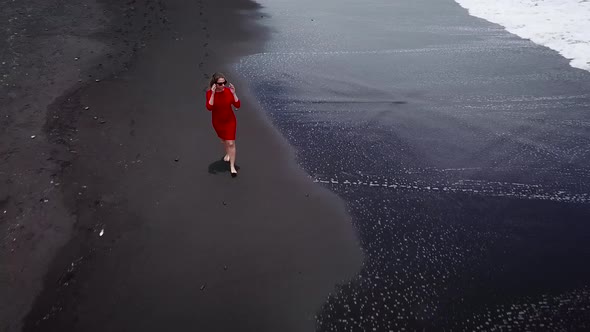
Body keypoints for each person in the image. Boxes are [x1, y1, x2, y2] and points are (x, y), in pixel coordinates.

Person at [206, 72, 241, 177]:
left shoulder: (228, 91)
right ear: (214, 84)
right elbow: (209, 107)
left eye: (224, 83)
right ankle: (228, 153)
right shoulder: (209, 93)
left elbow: (238, 105)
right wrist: (212, 94)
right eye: (220, 84)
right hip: (218, 122)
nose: (223, 85)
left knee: (231, 143)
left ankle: (232, 166)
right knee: (224, 141)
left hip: (230, 121)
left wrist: (234, 93)